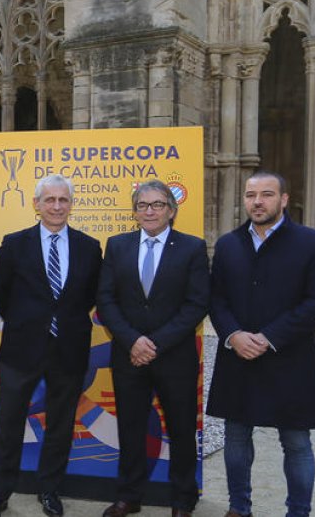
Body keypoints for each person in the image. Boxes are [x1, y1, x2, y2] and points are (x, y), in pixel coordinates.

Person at [207, 171, 315, 517]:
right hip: (238, 356)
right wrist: (233, 335)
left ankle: (298, 512)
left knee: (295, 442)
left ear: (283, 199)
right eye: (251, 195)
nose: (257, 201)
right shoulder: (228, 244)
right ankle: (239, 508)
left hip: (290, 358)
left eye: (266, 194)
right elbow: (216, 298)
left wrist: (269, 336)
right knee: (235, 437)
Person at [0, 174, 102, 517]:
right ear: (36, 204)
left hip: (69, 349)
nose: (57, 206)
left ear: (71, 204)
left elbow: (91, 296)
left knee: (61, 424)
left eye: (63, 200)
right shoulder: (14, 244)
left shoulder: (89, 247)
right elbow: (0, 293)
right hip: (22, 349)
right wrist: (28, 323)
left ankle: (49, 490)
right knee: (7, 423)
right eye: (49, 200)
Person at [96, 180, 210, 517]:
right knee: (131, 428)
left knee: (181, 429)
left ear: (171, 211)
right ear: (134, 211)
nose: (149, 211)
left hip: (175, 357)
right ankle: (129, 497)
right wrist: (132, 340)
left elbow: (196, 304)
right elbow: (105, 298)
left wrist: (155, 343)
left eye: (157, 204)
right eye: (142, 205)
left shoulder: (191, 248)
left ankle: (182, 500)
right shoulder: (118, 245)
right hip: (129, 355)